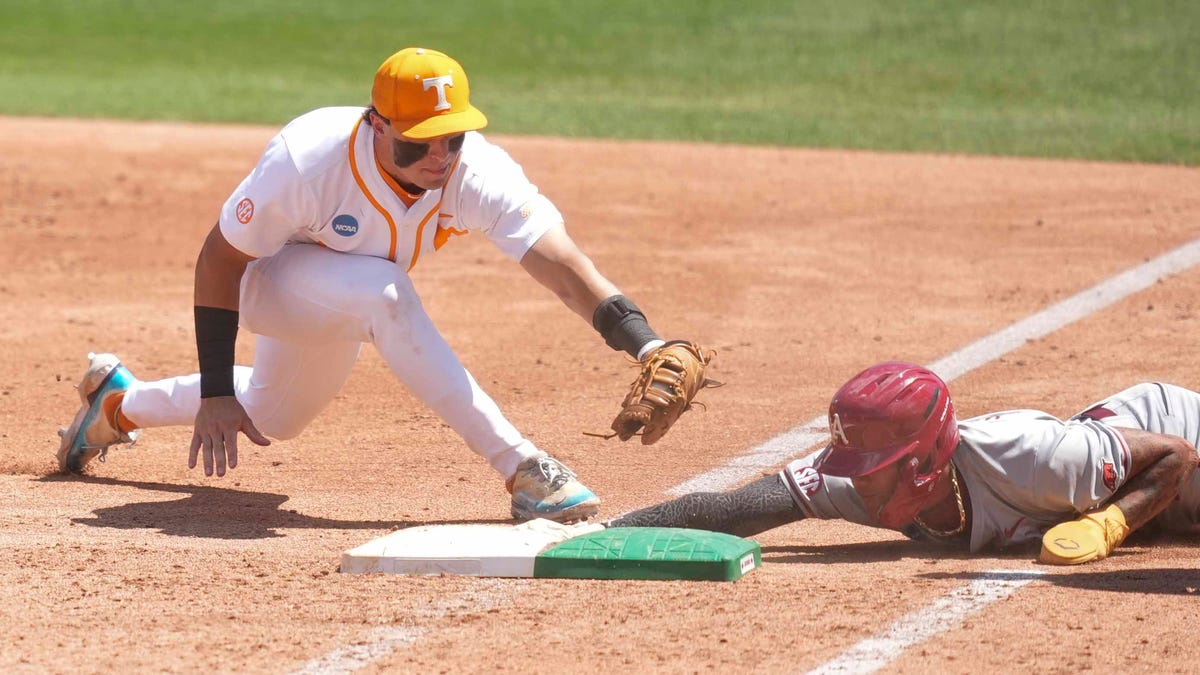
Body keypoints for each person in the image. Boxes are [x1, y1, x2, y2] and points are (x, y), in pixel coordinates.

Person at [56, 47, 705, 524]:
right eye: (419, 140)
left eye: (451, 139)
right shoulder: (306, 158)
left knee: (276, 414)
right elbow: (218, 261)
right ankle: (523, 468)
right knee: (383, 292)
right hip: (265, 282)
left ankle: (115, 404)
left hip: (338, 292)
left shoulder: (474, 172)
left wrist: (646, 344)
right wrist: (216, 388)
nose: (439, 157)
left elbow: (562, 265)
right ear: (377, 125)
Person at [608, 361, 1200, 564]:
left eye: (875, 465)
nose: (856, 480)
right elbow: (741, 506)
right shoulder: (852, 479)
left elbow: (1174, 455)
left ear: (925, 461)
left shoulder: (1033, 459)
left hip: (1172, 437)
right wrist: (603, 531)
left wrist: (1110, 525)